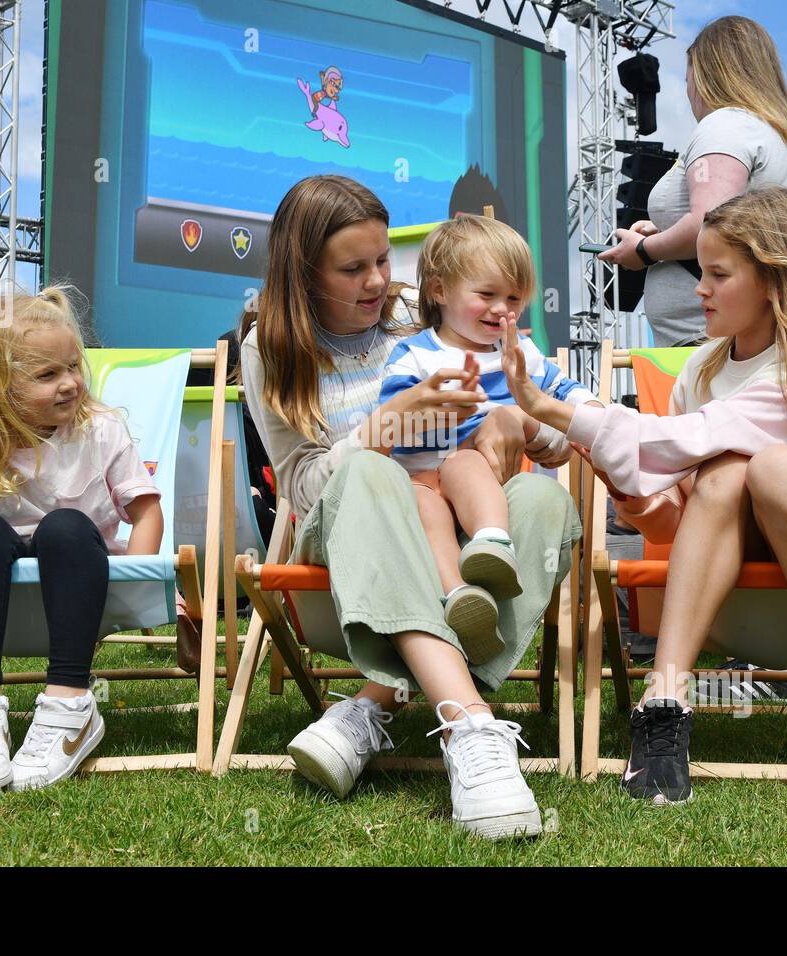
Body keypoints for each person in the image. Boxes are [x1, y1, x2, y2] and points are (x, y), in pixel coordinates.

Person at [503, 186, 787, 806]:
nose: (699, 290)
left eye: (717, 274)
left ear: (777, 282)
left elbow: (700, 435)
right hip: (735, 579)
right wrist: (639, 504)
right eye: (701, 272)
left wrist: (558, 410)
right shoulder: (702, 371)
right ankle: (665, 698)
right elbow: (683, 518)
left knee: (769, 465)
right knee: (722, 477)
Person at [240, 175, 581, 840]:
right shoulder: (270, 348)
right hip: (341, 561)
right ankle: (470, 726)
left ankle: (377, 702)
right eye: (353, 268)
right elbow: (304, 488)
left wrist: (516, 427)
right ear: (303, 273)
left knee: (539, 497)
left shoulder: (423, 318)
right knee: (372, 473)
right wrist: (383, 427)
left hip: (463, 551)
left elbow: (558, 435)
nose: (376, 282)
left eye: (381, 262)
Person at [0, 287, 165, 796]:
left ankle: (71, 703)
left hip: (83, 586)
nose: (70, 383)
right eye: (48, 375)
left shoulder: (100, 429)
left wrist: (138, 581)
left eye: (73, 365)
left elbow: (146, 510)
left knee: (64, 527)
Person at [379, 216, 598, 664]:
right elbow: (390, 421)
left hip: (484, 479)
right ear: (439, 291)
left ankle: (492, 543)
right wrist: (430, 411)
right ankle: (459, 597)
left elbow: (564, 390)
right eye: (487, 294)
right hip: (421, 479)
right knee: (422, 503)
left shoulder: (519, 353)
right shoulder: (416, 353)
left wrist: (591, 410)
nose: (502, 309)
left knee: (463, 464)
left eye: (514, 298)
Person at [601, 15, 787, 347]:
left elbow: (711, 223)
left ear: (705, 75)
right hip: (731, 339)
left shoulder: (724, 126)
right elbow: (733, 223)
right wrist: (666, 233)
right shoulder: (772, 136)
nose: (688, 89)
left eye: (688, 77)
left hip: (709, 345)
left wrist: (644, 251)